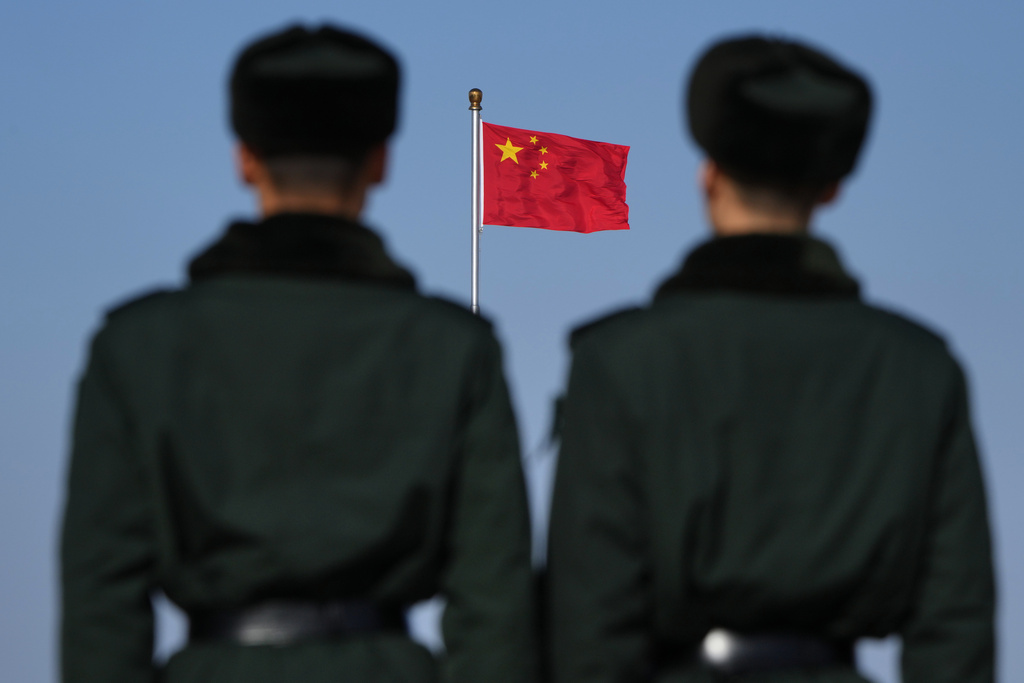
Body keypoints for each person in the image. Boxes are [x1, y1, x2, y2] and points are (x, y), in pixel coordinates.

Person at [60, 24, 537, 683]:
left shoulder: (135, 347)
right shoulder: (456, 350)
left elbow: (101, 603)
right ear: (380, 161)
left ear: (245, 158)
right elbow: (494, 606)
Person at [547, 35, 995, 683]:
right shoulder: (923, 370)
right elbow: (955, 625)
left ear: (709, 175)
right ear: (832, 189)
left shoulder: (618, 363)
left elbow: (590, 625)